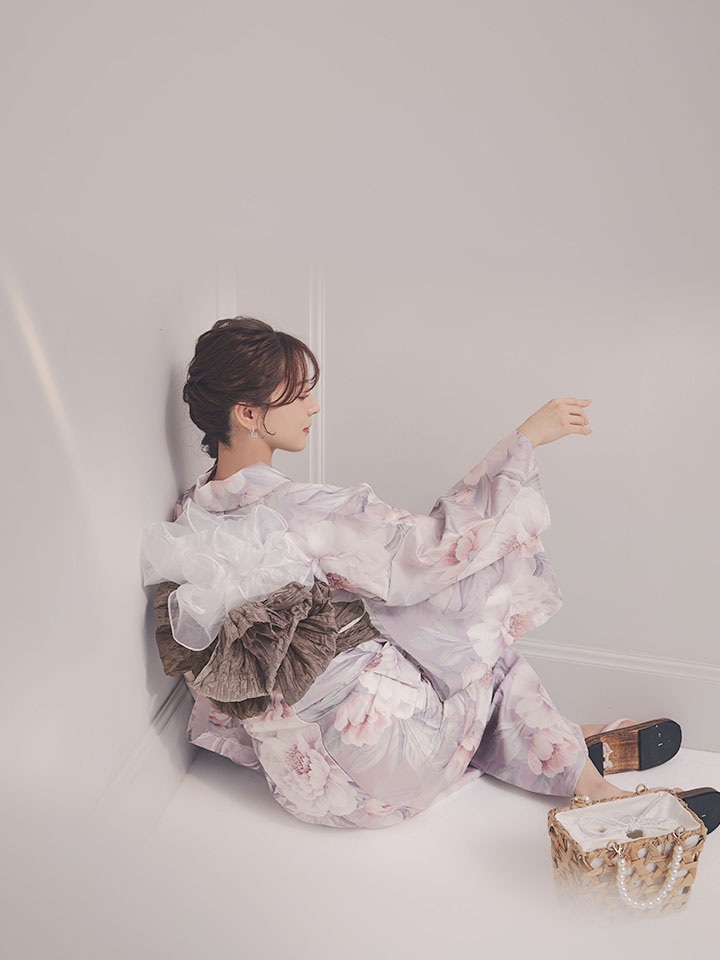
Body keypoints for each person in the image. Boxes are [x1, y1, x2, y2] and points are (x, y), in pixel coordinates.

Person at [141, 316, 696, 830]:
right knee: (479, 646)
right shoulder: (302, 509)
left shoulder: (191, 516)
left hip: (303, 784)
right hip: (387, 769)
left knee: (431, 642)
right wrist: (525, 441)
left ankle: (572, 744)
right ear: (248, 413)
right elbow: (433, 550)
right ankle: (595, 789)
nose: (313, 406)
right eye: (298, 393)